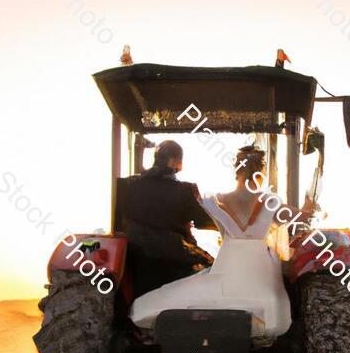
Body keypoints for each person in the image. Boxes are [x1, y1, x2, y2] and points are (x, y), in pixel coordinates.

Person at [129, 145, 313, 340]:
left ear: (236, 170)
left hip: (226, 271)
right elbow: (303, 217)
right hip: (262, 277)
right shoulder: (271, 202)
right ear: (261, 171)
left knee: (151, 304)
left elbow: (202, 222)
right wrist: (309, 207)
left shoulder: (214, 201)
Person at [122, 139, 216, 297]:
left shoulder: (131, 184)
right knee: (213, 268)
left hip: (139, 262)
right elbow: (203, 221)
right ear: (175, 162)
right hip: (174, 264)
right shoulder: (186, 190)